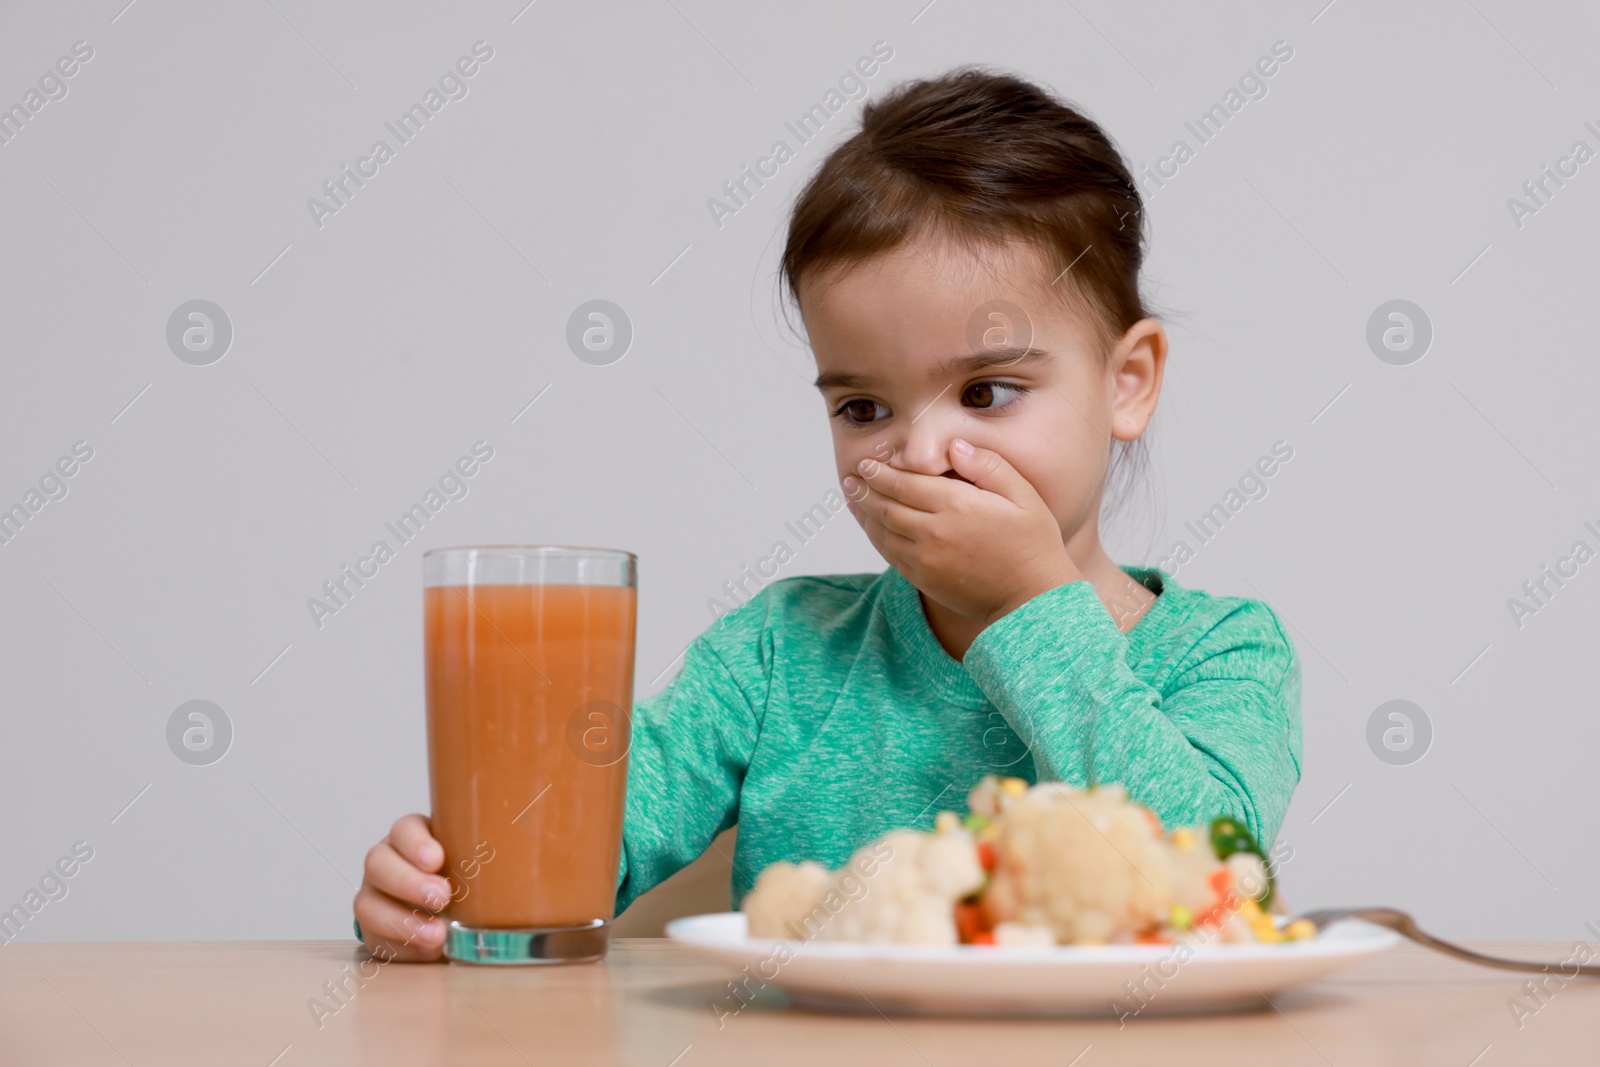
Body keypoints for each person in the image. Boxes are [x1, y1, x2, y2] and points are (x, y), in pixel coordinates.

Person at [354, 66, 1302, 961]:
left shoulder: (1221, 653)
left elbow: (1220, 890)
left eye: (988, 392)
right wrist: (443, 886)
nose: (921, 453)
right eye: (863, 408)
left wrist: (1031, 604)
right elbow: (575, 852)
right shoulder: (779, 653)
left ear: (1127, 384)